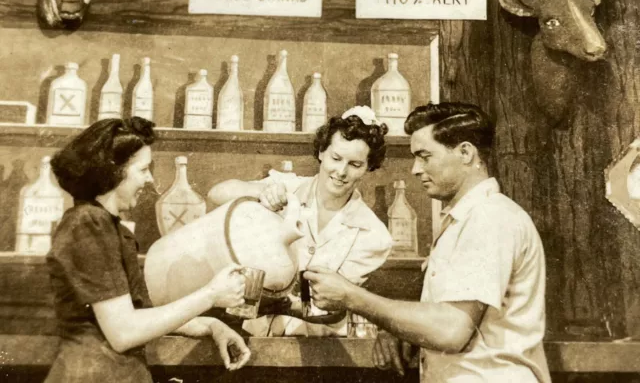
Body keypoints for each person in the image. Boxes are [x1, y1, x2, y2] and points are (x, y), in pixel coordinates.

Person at [304, 102, 551, 382]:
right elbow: (450, 318)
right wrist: (402, 330)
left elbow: (451, 331)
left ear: (466, 153)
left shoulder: (489, 219)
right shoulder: (465, 219)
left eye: (424, 156)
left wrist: (352, 296)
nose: (415, 169)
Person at [45, 117, 251, 383]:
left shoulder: (111, 228)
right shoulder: (88, 224)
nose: (150, 179)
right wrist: (211, 295)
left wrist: (212, 325)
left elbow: (138, 315)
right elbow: (123, 332)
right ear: (113, 171)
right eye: (143, 170)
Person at [208, 105, 393, 336]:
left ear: (368, 167)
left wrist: (275, 299)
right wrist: (261, 195)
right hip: (250, 335)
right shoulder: (290, 187)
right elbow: (217, 193)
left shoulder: (373, 235)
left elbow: (325, 303)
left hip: (319, 349)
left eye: (355, 164)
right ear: (321, 153)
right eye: (336, 158)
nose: (341, 171)